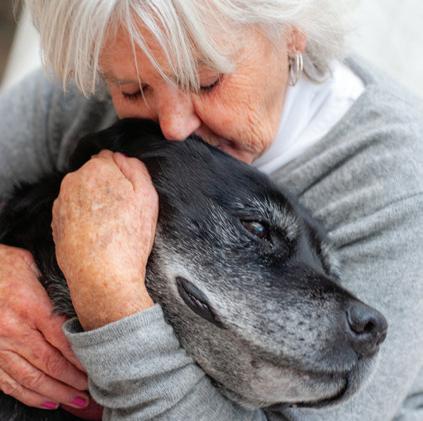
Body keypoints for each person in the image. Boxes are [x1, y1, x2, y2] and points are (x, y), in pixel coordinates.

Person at [0, 0, 422, 420]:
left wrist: (110, 299)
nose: (173, 126)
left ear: (292, 35)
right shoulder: (99, 82)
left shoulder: (400, 181)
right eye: (134, 91)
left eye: (207, 82)